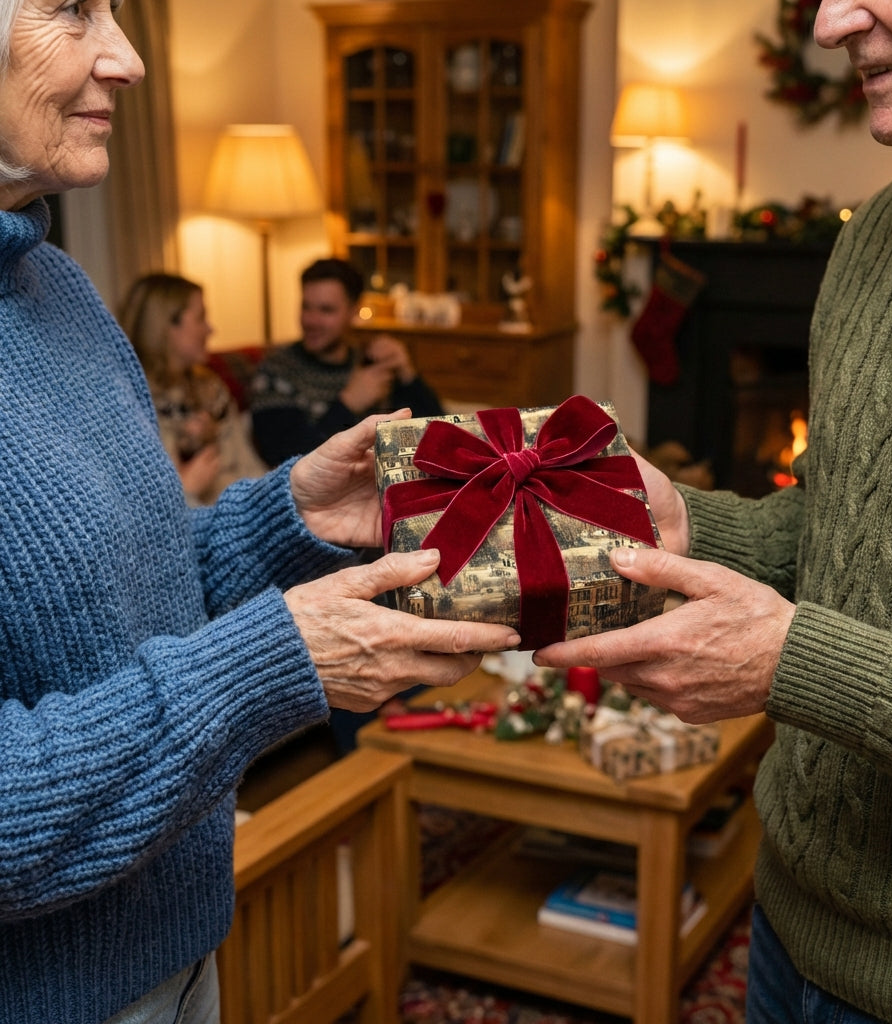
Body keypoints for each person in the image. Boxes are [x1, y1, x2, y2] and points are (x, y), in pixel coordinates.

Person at [0, 3, 521, 1023]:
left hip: (183, 955)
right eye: (71, 6)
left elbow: (133, 588)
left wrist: (286, 521)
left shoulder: (55, 286)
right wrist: (271, 665)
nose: (128, 57)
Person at [534, 2, 892, 1023]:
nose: (831, 21)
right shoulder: (876, 230)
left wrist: (796, 664)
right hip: (787, 922)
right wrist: (686, 525)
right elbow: (845, 533)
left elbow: (818, 651)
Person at [249, 257, 444, 468]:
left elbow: (440, 435)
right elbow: (285, 459)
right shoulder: (277, 371)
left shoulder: (368, 361)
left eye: (326, 310)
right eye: (306, 307)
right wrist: (348, 404)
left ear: (353, 311)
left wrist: (407, 374)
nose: (311, 320)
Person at [119, 272, 267, 505]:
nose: (210, 330)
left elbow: (251, 468)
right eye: (201, 318)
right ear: (166, 326)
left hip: (241, 508)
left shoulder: (210, 388)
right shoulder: (127, 398)